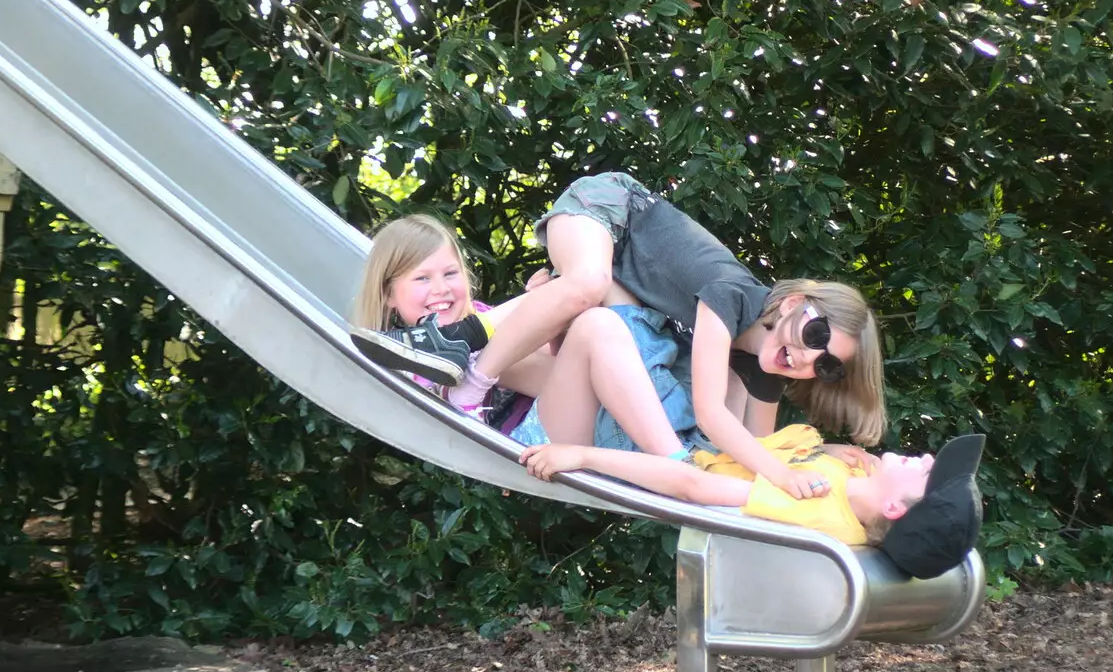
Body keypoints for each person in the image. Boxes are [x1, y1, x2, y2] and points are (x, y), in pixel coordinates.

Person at [359, 173, 885, 500]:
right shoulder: (729, 296)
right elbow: (713, 418)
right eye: (815, 334)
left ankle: (468, 356)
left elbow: (757, 451)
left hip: (589, 377)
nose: (806, 358)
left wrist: (811, 462)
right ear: (793, 304)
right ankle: (465, 369)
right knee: (590, 295)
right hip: (607, 208)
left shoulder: (757, 363)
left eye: (826, 365)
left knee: (593, 299)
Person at [519, 427, 985, 579]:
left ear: (895, 511)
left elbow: (693, 487)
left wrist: (578, 455)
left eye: (927, 473)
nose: (926, 457)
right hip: (698, 435)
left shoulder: (816, 506)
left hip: (661, 449)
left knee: (601, 329)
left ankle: (476, 366)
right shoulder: (852, 482)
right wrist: (830, 452)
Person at [349, 214, 552, 403]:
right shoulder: (397, 363)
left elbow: (556, 358)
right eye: (422, 278)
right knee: (477, 357)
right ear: (388, 294)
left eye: (450, 274)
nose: (441, 289)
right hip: (491, 437)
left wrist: (544, 307)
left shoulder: (485, 315)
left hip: (564, 402)